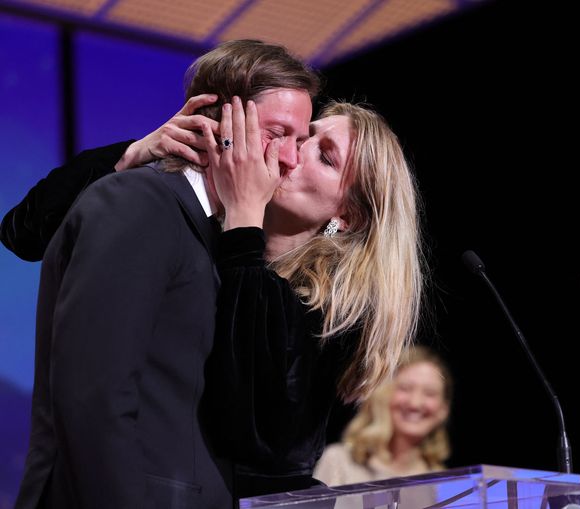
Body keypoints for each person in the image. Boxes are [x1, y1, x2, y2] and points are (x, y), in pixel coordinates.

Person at [3, 42, 426, 505]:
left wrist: (244, 216)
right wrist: (134, 153)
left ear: (347, 216)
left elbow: (252, 433)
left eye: (318, 154)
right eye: (292, 136)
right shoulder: (166, 214)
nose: (289, 156)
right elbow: (25, 234)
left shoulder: (322, 308)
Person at [313, 345, 452, 486]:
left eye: (429, 393)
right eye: (405, 388)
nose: (415, 403)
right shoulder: (339, 462)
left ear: (443, 409)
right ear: (382, 395)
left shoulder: (442, 484)